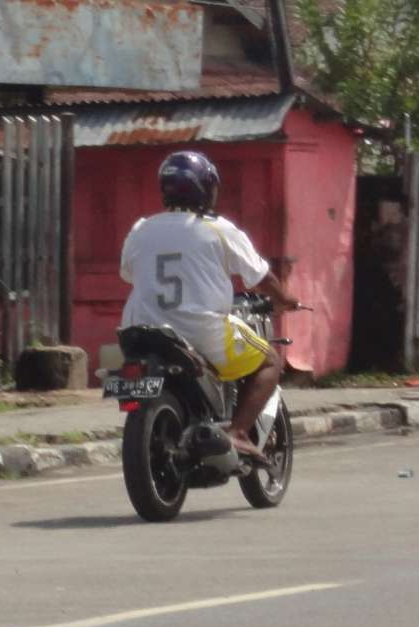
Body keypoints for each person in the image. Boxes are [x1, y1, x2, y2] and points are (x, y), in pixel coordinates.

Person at [119, 150, 301, 464]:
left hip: (139, 329)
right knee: (271, 360)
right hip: (201, 330)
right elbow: (262, 277)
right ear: (207, 188)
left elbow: (128, 273)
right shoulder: (218, 229)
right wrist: (285, 300)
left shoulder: (140, 230)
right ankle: (239, 432)